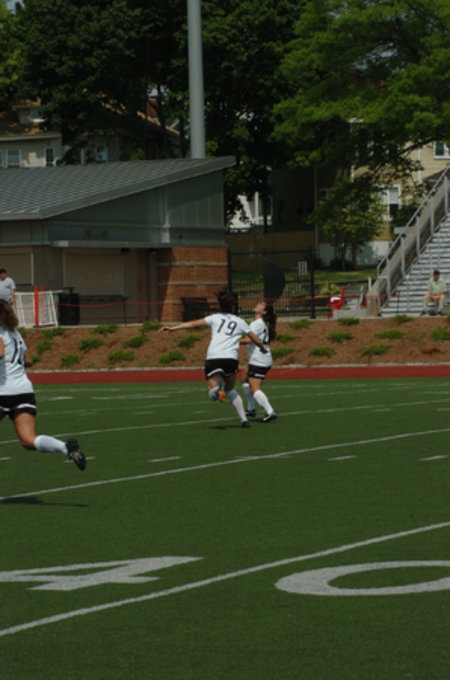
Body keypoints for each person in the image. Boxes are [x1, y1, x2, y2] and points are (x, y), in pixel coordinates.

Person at [159, 289, 268, 427]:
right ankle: (243, 420)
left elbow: (193, 324)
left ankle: (217, 390)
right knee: (231, 389)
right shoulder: (240, 321)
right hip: (231, 359)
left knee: (212, 393)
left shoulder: (214, 318)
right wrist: (262, 348)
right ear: (233, 306)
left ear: (220, 305)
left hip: (214, 357)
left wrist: (173, 328)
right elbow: (255, 339)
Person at [0, 300, 86, 470]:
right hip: (23, 390)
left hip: (3, 391)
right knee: (28, 440)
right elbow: (28, 360)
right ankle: (65, 448)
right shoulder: (15, 333)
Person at [241, 301, 277, 423]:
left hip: (259, 359)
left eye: (261, 305)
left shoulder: (257, 323)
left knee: (254, 388)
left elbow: (248, 340)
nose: (258, 304)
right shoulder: (260, 323)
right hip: (257, 357)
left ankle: (270, 412)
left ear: (264, 312)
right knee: (245, 379)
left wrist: (231, 341)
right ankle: (251, 409)